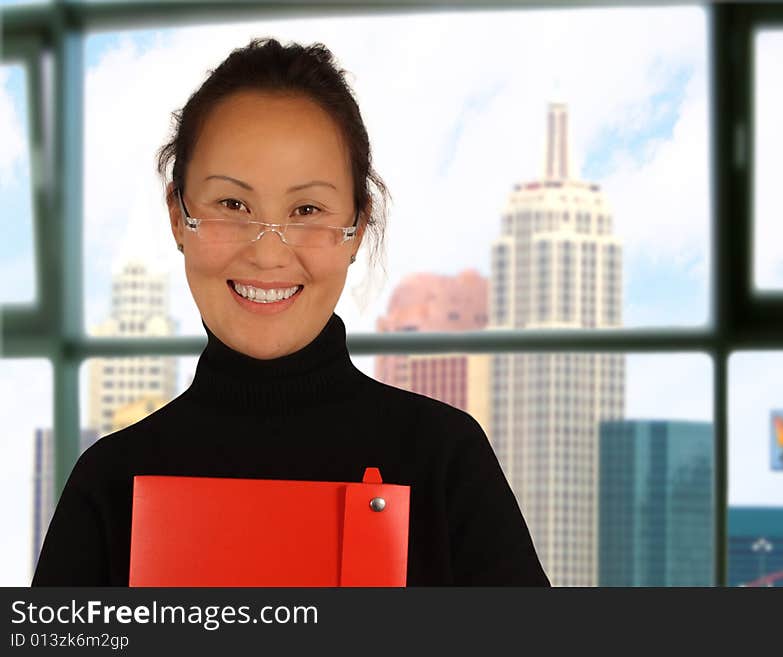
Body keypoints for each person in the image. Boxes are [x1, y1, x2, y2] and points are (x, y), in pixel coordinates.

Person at [32, 38, 549, 587]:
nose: (268, 251)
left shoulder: (445, 462)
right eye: (232, 205)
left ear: (358, 226)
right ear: (178, 216)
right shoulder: (109, 486)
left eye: (307, 210)